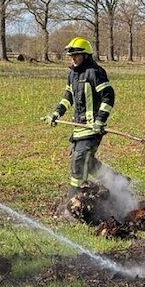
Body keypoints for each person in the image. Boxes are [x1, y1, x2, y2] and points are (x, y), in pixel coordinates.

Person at [44, 37, 115, 198]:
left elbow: (108, 96)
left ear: (86, 55)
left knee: (79, 162)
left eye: (76, 55)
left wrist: (100, 120)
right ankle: (117, 181)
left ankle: (74, 200)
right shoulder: (73, 75)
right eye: (71, 56)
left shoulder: (95, 72)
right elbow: (68, 97)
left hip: (92, 129)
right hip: (78, 128)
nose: (73, 59)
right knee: (88, 163)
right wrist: (56, 113)